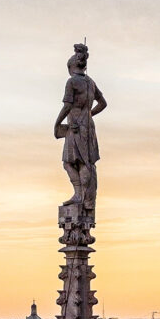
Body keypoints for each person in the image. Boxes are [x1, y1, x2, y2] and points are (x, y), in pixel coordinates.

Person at [53, 44, 107, 222]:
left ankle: (78, 194)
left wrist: (58, 122)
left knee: (70, 162)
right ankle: (86, 198)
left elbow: (67, 105)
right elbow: (102, 103)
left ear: (71, 67)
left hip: (75, 127)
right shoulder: (90, 82)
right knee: (87, 163)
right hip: (89, 127)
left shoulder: (72, 82)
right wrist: (89, 114)